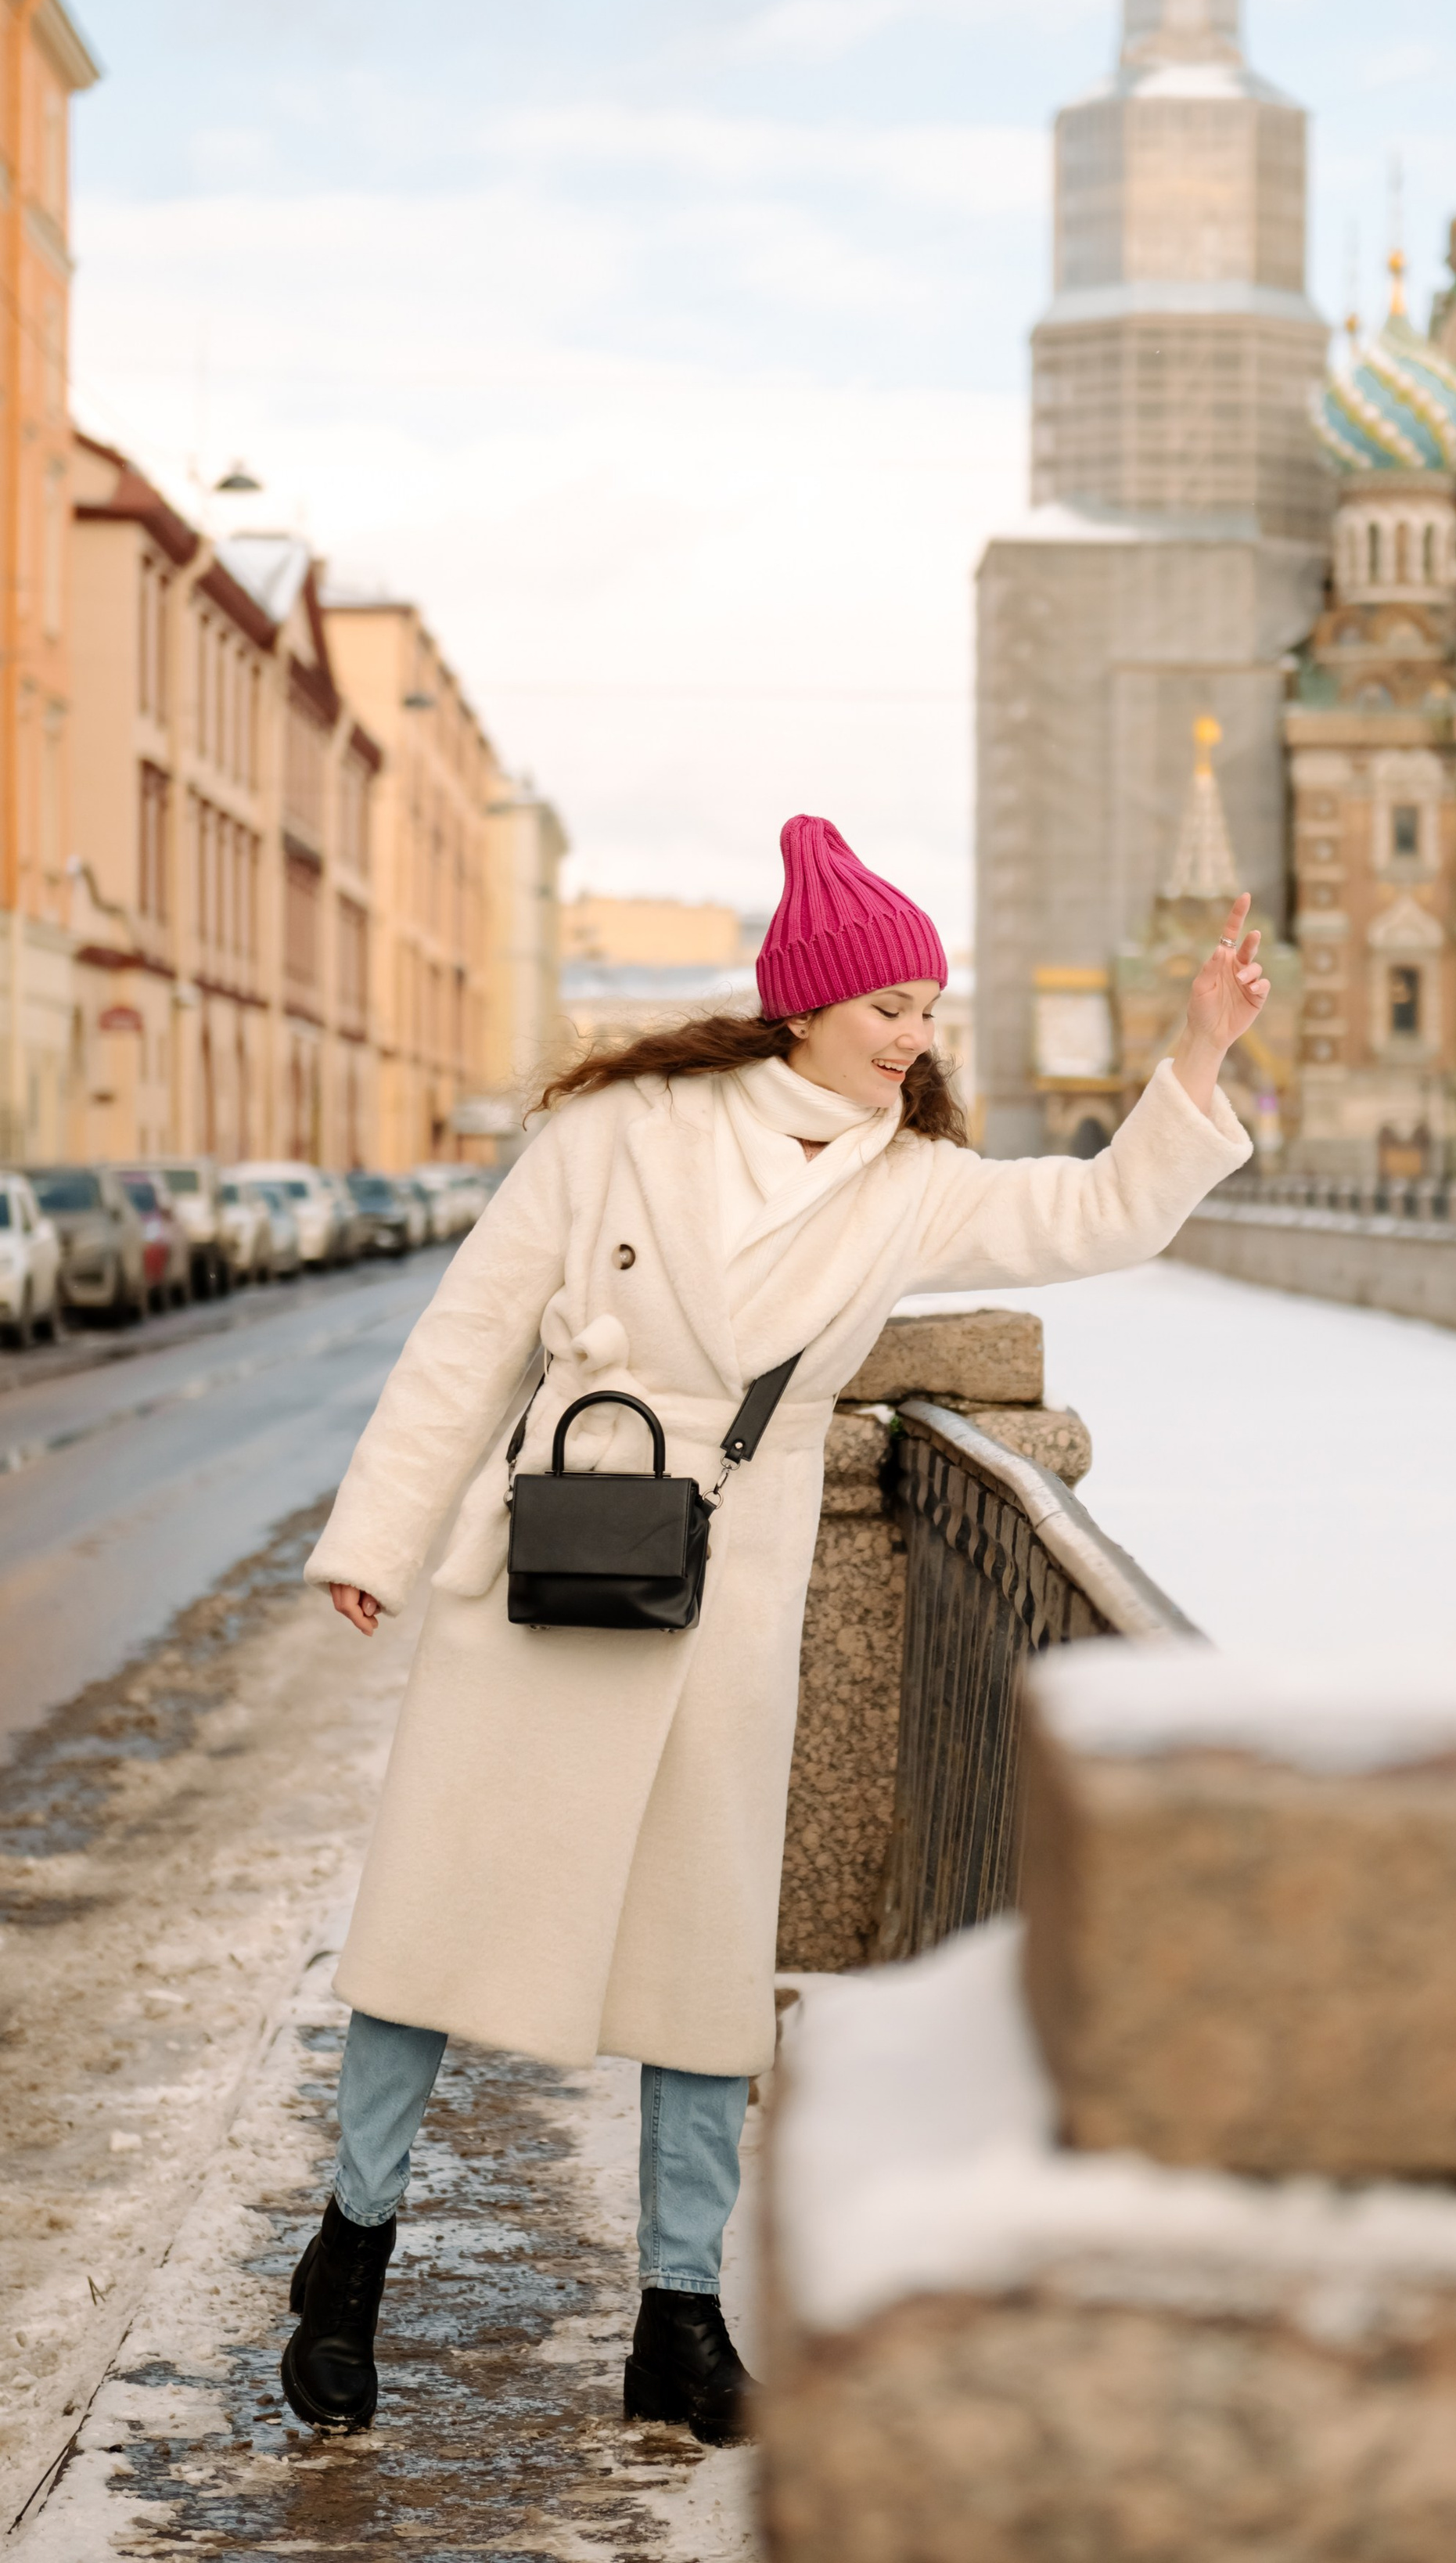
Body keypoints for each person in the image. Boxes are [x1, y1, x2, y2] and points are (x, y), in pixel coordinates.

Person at [282, 813, 1264, 2442]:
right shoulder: (619, 1130)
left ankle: (679, 2319)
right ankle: (348, 2262)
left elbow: (1095, 1214)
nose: (916, 1040)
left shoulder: (913, 1185)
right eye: (891, 1007)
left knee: (699, 1957)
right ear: (803, 1006)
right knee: (439, 1915)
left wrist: (1195, 1052)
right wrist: (378, 1530)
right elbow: (469, 1333)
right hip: (555, 1548)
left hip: (727, 1587)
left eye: (930, 1011)